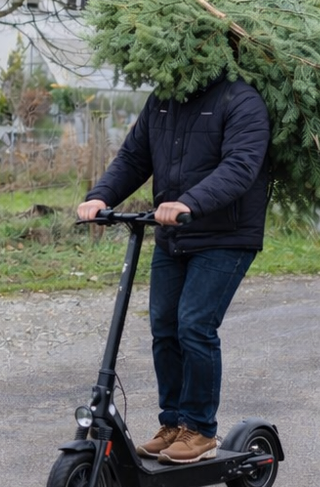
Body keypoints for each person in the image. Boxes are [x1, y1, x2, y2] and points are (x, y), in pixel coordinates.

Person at [75, 76, 270, 465]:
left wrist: (188, 202)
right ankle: (174, 424)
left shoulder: (241, 99)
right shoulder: (163, 99)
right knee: (164, 327)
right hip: (174, 234)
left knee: (194, 325)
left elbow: (240, 166)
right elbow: (134, 157)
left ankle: (199, 430)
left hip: (225, 235)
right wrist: (100, 196)